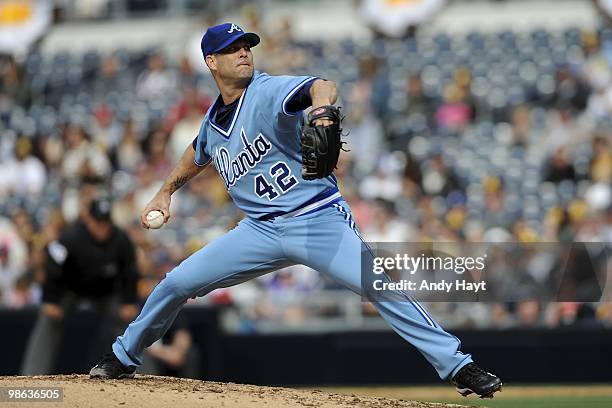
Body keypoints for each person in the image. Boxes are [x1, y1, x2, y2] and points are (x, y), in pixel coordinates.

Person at [89, 23, 502, 398]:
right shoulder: (213, 124)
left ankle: (458, 366)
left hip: (316, 218)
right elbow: (197, 153)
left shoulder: (266, 91)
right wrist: (166, 191)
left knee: (380, 286)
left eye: (247, 46)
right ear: (211, 62)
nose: (244, 53)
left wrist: (321, 110)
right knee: (175, 283)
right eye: (233, 49)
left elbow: (322, 86)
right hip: (259, 231)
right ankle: (123, 356)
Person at [21, 198, 140, 374]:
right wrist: (50, 300)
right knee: (48, 320)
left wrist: (129, 301)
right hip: (71, 291)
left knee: (130, 322)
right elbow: (52, 268)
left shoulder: (121, 239)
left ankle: (140, 373)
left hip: (105, 293)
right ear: (89, 220)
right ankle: (31, 376)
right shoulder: (70, 238)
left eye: (106, 223)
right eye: (98, 223)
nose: (103, 228)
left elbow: (130, 272)